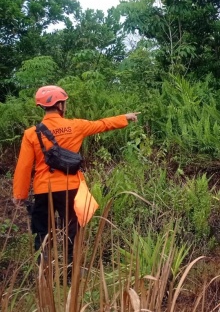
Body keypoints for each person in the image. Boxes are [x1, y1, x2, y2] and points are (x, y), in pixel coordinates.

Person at [12, 85, 140, 264]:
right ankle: (69, 271)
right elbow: (102, 124)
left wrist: (20, 195)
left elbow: (24, 167)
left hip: (43, 190)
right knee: (71, 230)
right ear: (60, 105)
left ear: (42, 107)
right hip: (69, 188)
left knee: (42, 232)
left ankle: (44, 275)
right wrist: (124, 117)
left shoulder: (31, 134)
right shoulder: (75, 126)